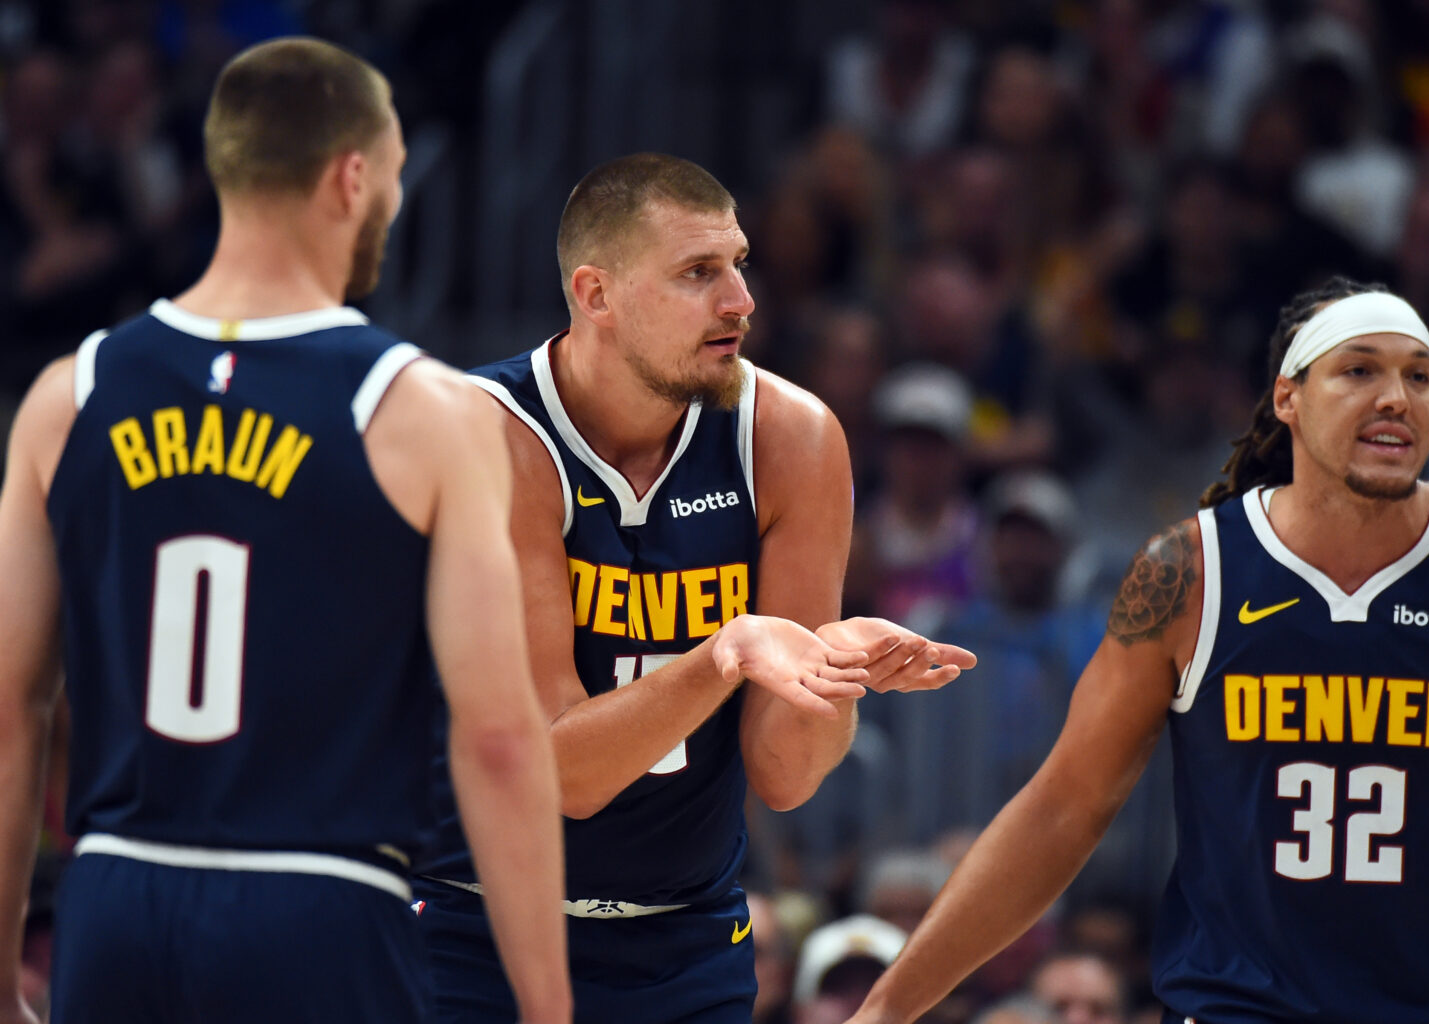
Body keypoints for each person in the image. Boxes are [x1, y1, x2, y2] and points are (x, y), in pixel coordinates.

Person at [0, 37, 576, 1024]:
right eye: (393, 178)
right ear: (351, 177)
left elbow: (11, 709)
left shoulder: (69, 395)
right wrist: (549, 1006)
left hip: (114, 900)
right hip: (321, 903)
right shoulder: (424, 408)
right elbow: (496, 736)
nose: (391, 210)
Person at [845, 275, 1429, 1024]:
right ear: (1288, 399)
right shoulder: (1190, 574)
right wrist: (885, 1010)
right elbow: (1062, 810)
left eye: (1420, 376)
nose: (1398, 396)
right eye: (1360, 369)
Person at [412, 152, 975, 1023]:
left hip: (687, 944)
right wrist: (725, 654)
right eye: (698, 273)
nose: (740, 300)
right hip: (474, 924)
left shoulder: (794, 439)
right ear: (596, 295)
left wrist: (833, 677)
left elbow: (784, 776)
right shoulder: (487, 433)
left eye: (740, 264)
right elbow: (557, 772)